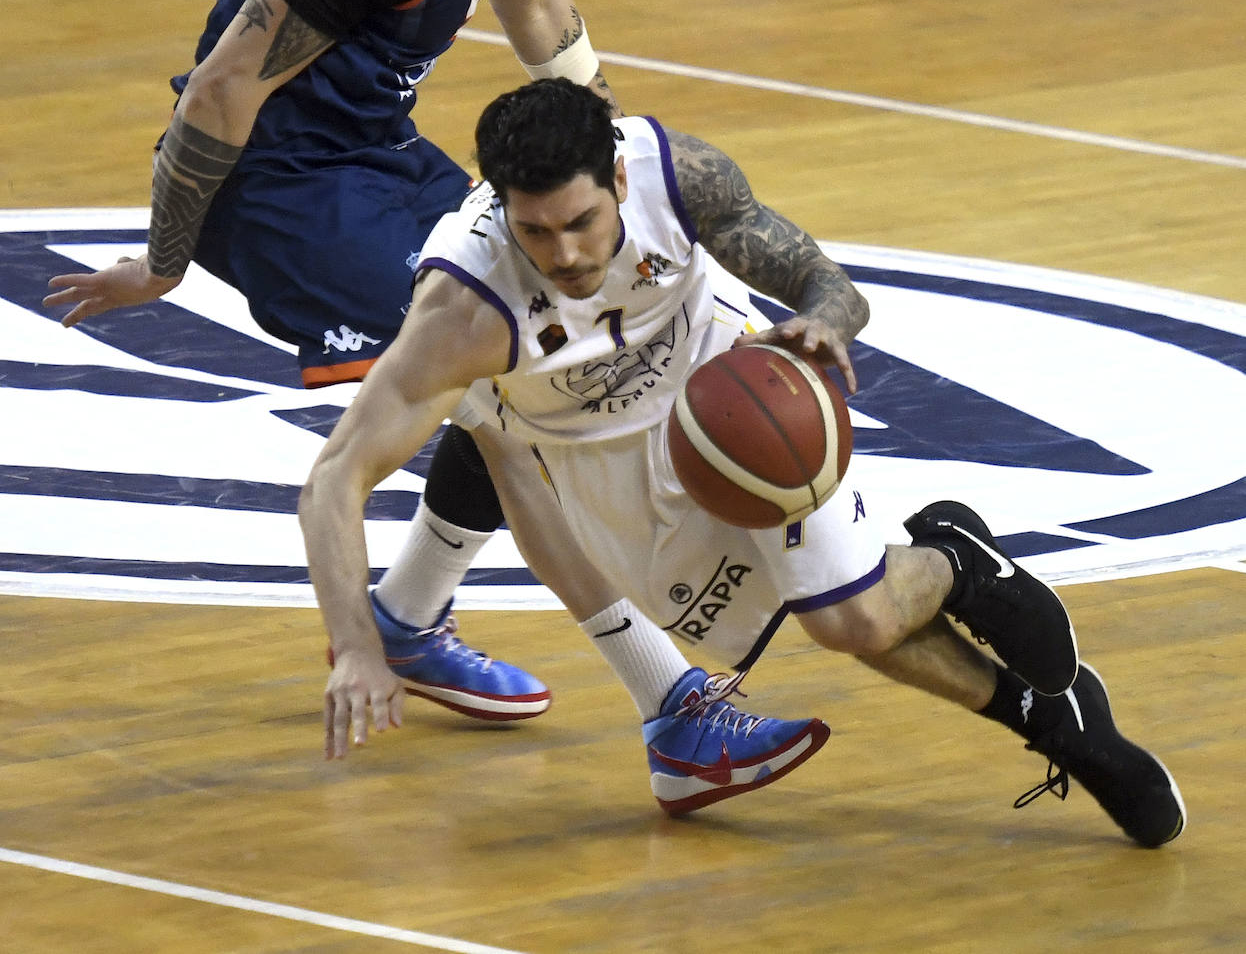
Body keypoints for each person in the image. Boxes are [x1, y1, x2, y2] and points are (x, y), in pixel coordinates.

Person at [38, 0, 774, 749]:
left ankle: (413, 617)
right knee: (520, 393)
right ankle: (670, 707)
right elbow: (226, 88)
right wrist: (168, 257)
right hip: (280, 190)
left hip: (367, 153)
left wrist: (603, 145)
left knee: (543, 344)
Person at [298, 79, 1185, 842]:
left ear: (617, 178)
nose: (564, 255)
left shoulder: (679, 177)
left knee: (855, 624)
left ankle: (962, 572)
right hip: (595, 453)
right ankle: (1045, 706)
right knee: (748, 610)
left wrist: (825, 324)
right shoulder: (463, 311)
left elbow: (830, 285)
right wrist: (354, 650)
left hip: (732, 396)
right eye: (536, 232)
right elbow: (337, 477)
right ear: (500, 209)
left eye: (580, 223)